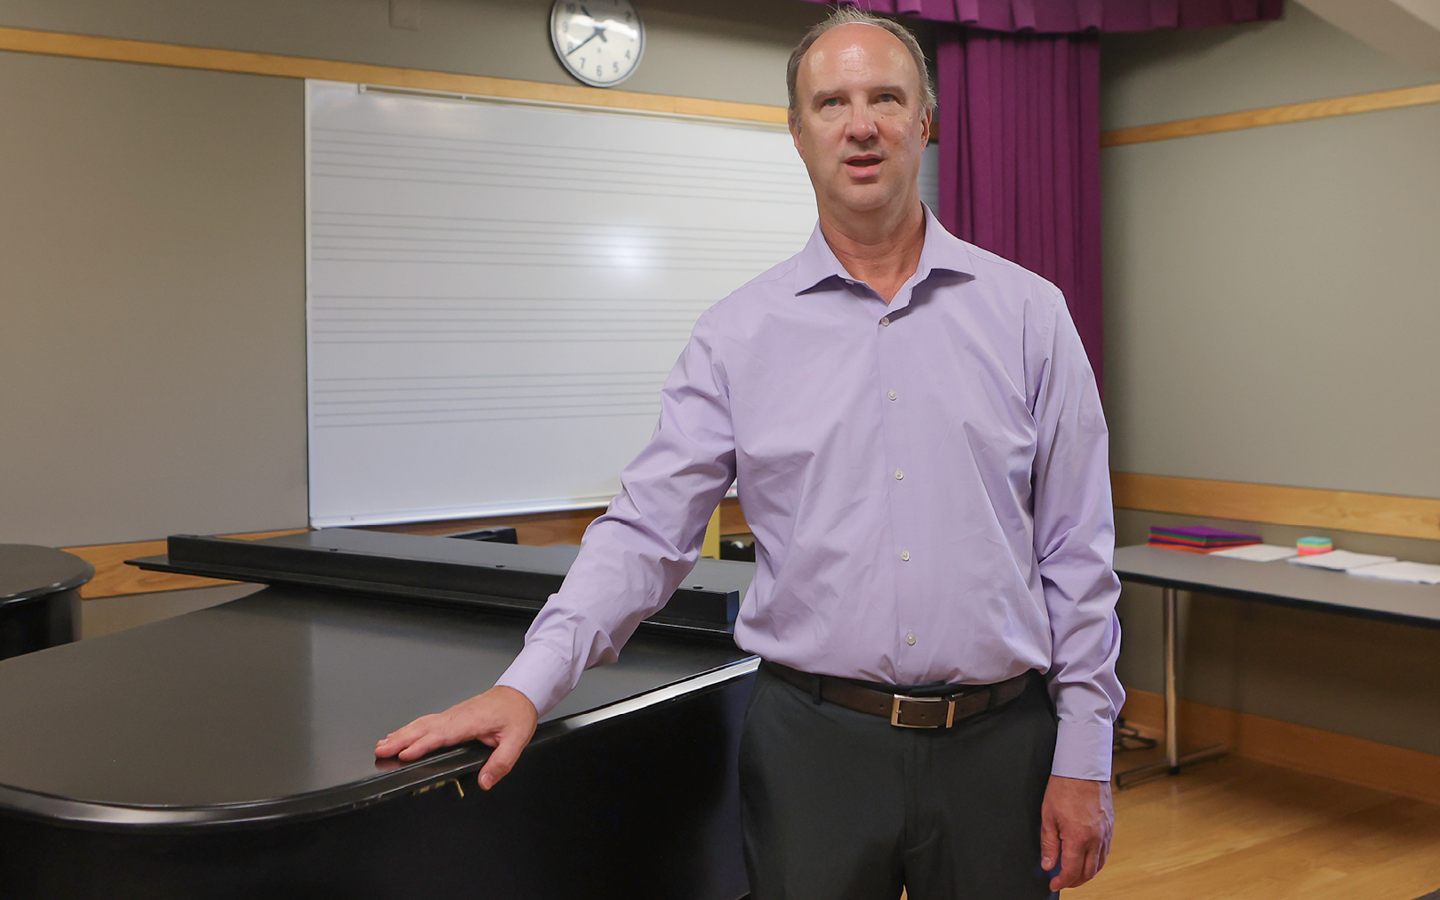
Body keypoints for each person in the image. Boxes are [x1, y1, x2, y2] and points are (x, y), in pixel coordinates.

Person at [376, 8, 1122, 898]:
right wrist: (527, 686)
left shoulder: (1031, 316)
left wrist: (1086, 753)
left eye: (887, 97)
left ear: (925, 121)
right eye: (832, 102)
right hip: (813, 752)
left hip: (1002, 748)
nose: (862, 124)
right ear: (799, 134)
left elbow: (1077, 554)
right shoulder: (736, 337)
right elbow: (646, 532)